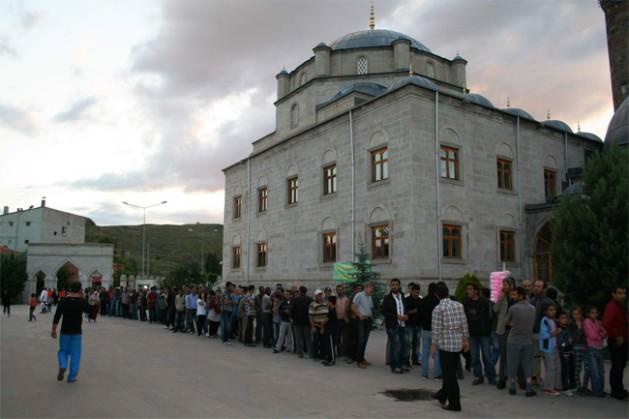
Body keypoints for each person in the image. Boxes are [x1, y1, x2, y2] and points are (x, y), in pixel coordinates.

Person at [430, 283, 469, 412]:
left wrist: (433, 346)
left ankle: (455, 404)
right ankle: (442, 395)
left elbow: (436, 329)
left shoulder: (438, 309)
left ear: (436, 295)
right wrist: (466, 340)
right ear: (448, 292)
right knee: (449, 371)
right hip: (457, 343)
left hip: (446, 344)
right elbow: (464, 323)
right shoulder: (459, 305)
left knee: (449, 375)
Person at [505, 286, 537, 397]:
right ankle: (529, 388)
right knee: (528, 365)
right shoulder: (532, 308)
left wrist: (513, 323)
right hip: (527, 340)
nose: (512, 297)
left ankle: (512, 387)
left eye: (514, 294)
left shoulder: (513, 308)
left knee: (512, 364)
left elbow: (507, 322)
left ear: (521, 295)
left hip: (514, 339)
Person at [51, 281, 84, 383]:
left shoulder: (63, 301)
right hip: (77, 332)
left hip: (65, 331)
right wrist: (82, 297)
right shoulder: (82, 301)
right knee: (76, 354)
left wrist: (53, 329)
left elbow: (57, 316)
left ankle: (63, 364)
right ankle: (71, 377)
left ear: (70, 288)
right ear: (80, 289)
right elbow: (89, 310)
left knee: (63, 351)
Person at [463, 283, 495, 385]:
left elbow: (491, 317)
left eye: (470, 289)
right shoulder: (466, 303)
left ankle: (491, 377)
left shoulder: (485, 302)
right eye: (467, 289)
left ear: (476, 291)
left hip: (484, 334)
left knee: (487, 356)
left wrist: (489, 329)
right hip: (472, 334)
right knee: (474, 357)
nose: (468, 291)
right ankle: (479, 376)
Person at [603, 287, 628, 400]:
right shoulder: (611, 306)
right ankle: (615, 390)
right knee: (617, 365)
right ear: (613, 294)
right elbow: (607, 323)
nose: (623, 295)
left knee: (621, 364)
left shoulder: (621, 306)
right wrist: (617, 335)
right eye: (620, 293)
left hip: (623, 339)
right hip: (616, 340)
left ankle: (619, 388)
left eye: (624, 293)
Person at [381, 278, 408, 374]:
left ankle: (401, 365)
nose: (394, 286)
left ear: (399, 286)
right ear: (390, 286)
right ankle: (394, 366)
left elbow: (405, 309)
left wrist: (406, 315)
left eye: (396, 284)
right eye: (392, 284)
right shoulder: (387, 298)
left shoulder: (403, 296)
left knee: (403, 345)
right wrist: (396, 316)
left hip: (402, 324)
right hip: (392, 325)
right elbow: (383, 311)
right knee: (395, 345)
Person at [529, 279, 553, 383]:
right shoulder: (531, 301)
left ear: (544, 289)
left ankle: (550, 379)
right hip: (533, 332)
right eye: (535, 286)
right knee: (535, 356)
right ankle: (537, 377)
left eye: (539, 286)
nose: (536, 288)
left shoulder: (548, 302)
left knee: (546, 356)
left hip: (545, 334)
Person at [494, 277, 515, 389]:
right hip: (502, 329)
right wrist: (500, 298)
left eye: (506, 284)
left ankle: (515, 378)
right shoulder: (502, 296)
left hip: (514, 330)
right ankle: (502, 378)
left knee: (515, 355)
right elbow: (495, 309)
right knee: (503, 355)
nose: (504, 286)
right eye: (503, 284)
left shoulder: (516, 296)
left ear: (512, 285)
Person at [584, 307, 607, 397]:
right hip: (591, 348)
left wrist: (600, 335)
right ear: (589, 314)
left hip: (599, 348)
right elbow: (591, 335)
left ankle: (600, 389)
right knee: (595, 372)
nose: (594, 314)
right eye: (592, 312)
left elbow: (605, 332)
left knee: (601, 371)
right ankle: (597, 391)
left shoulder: (598, 322)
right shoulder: (587, 322)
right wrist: (600, 336)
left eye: (596, 313)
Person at [420, 283, 441, 379]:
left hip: (425, 329)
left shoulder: (423, 300)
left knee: (425, 351)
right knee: (437, 352)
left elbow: (420, 313)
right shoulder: (438, 301)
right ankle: (437, 375)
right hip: (436, 329)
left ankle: (424, 373)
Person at [539, 303, 561, 396]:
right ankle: (548, 388)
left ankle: (555, 385)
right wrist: (556, 332)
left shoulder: (553, 320)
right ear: (545, 311)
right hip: (547, 348)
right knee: (550, 368)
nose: (553, 312)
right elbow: (544, 335)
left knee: (557, 366)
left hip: (554, 347)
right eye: (550, 310)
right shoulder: (544, 320)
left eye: (554, 310)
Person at [352, 283, 374, 369]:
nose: (371, 290)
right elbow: (353, 306)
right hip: (361, 321)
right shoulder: (359, 295)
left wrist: (371, 318)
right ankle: (359, 361)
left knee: (365, 340)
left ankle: (362, 358)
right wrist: (360, 315)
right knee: (361, 340)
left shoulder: (370, 296)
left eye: (372, 288)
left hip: (368, 320)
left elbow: (370, 308)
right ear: (365, 288)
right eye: (370, 288)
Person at [569, 306, 590, 395]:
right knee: (577, 369)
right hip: (576, 348)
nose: (576, 316)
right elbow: (574, 339)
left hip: (586, 348)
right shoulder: (571, 324)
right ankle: (578, 387)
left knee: (587, 368)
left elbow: (588, 335)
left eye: (578, 314)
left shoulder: (586, 322)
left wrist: (582, 327)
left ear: (581, 314)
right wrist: (578, 328)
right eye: (574, 314)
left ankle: (584, 387)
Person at [557, 312, 576, 394]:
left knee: (572, 369)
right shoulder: (559, 329)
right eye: (562, 318)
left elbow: (572, 338)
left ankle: (573, 385)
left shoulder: (568, 328)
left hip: (571, 351)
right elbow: (560, 343)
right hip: (563, 352)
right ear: (558, 319)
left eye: (566, 318)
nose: (564, 320)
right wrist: (568, 342)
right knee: (565, 370)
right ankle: (565, 387)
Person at [291, 286, 313, 358]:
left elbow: (292, 311)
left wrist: (293, 317)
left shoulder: (295, 300)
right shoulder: (310, 299)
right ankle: (310, 353)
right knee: (308, 339)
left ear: (300, 291)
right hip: (307, 322)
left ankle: (300, 354)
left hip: (297, 322)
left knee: (298, 339)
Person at [404, 283, 422, 367]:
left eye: (418, 292)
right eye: (415, 292)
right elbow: (404, 312)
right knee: (408, 343)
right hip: (409, 325)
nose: (416, 294)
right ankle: (406, 360)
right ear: (411, 291)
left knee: (417, 343)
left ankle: (415, 359)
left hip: (418, 325)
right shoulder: (407, 300)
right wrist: (413, 311)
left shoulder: (420, 300)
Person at [309, 289, 329, 360]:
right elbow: (311, 316)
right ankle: (315, 355)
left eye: (320, 294)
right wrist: (313, 326)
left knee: (323, 340)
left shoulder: (325, 303)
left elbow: (328, 314)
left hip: (324, 325)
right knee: (316, 341)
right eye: (318, 295)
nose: (319, 296)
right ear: (315, 296)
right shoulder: (312, 304)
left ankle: (323, 354)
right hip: (316, 325)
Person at [274, 289, 293, 353]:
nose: (286, 296)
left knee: (290, 336)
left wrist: (290, 313)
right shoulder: (282, 303)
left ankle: (289, 348)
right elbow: (279, 311)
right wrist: (284, 311)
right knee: (281, 335)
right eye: (286, 294)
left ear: (291, 295)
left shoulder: (293, 302)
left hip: (290, 321)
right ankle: (278, 348)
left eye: (288, 294)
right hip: (284, 321)